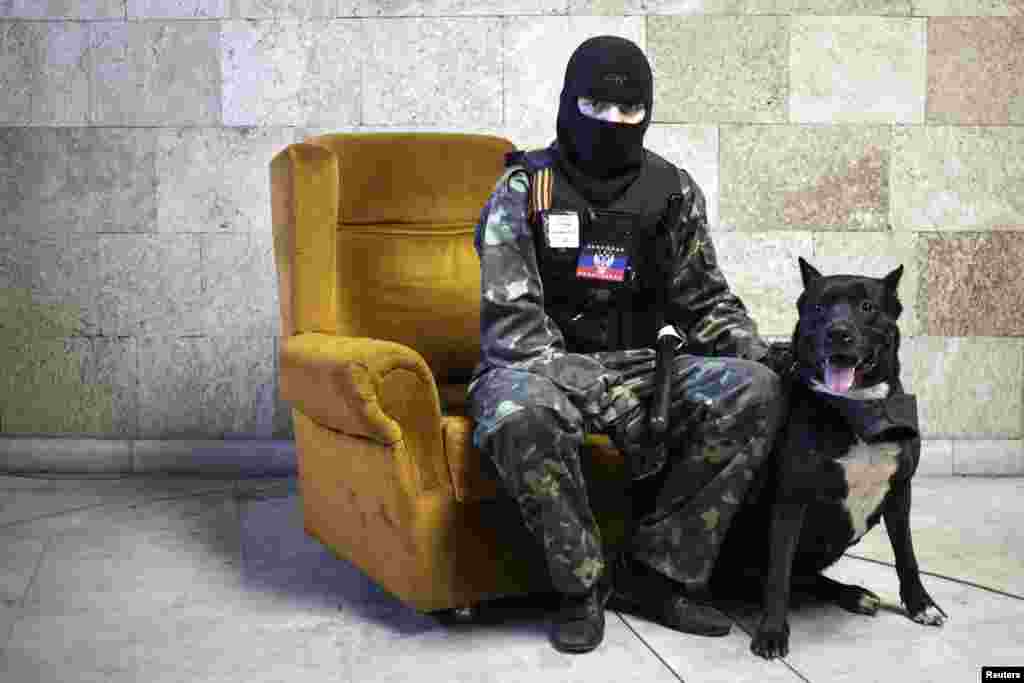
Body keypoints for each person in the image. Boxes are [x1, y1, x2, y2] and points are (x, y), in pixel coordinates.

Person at [467, 35, 788, 654]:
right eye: (597, 106)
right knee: (518, 412)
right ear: (568, 102)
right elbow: (512, 325)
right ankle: (580, 587)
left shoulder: (672, 190)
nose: (614, 123)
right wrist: (579, 378)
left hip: (643, 365)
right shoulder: (523, 188)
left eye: (630, 111)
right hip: (537, 367)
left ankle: (660, 574)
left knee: (756, 389)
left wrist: (762, 352)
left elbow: (705, 303)